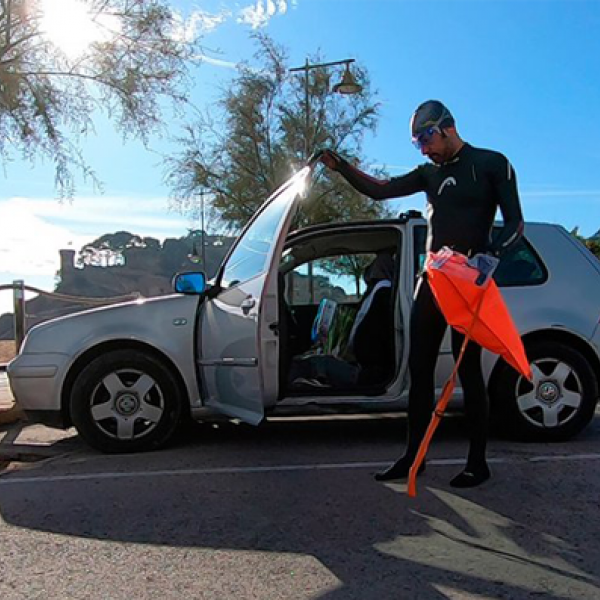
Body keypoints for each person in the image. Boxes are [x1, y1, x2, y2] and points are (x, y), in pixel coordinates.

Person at [319, 100, 524, 488]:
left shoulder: (491, 163)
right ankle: (414, 456)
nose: (424, 149)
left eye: (427, 139)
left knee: (468, 372)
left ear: (448, 127)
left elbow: (515, 222)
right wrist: (340, 166)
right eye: (417, 144)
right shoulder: (428, 174)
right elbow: (381, 190)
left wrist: (492, 255)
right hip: (433, 279)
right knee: (419, 369)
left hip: (469, 281)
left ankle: (477, 463)